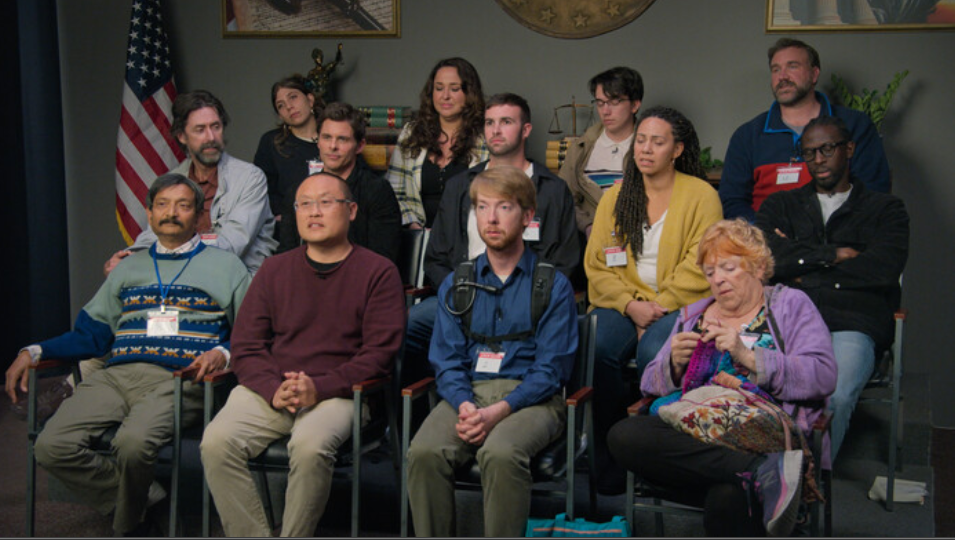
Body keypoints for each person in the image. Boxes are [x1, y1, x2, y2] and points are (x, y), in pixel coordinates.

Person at [5, 174, 249, 536]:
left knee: (132, 444)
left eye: (183, 205)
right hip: (117, 375)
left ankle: (127, 527)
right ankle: (147, 501)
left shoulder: (228, 268)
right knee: (51, 446)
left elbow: (252, 335)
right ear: (149, 214)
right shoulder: (127, 268)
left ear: (200, 216)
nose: (171, 213)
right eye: (162, 205)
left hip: (181, 380)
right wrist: (35, 351)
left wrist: (220, 352)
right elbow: (91, 335)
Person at [200, 172, 406, 537]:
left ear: (351, 211)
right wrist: (272, 388)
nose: (314, 212)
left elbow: (378, 355)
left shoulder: (378, 272)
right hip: (273, 388)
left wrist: (319, 388)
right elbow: (247, 345)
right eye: (304, 204)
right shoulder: (274, 269)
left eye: (326, 202)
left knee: (310, 447)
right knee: (216, 443)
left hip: (340, 392)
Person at [608, 219, 837, 537]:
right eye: (710, 272)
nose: (718, 279)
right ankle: (759, 473)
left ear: (758, 267)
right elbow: (650, 383)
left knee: (728, 497)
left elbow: (823, 375)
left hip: (762, 438)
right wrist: (674, 364)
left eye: (728, 268)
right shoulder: (693, 315)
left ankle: (756, 471)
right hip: (698, 443)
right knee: (622, 435)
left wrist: (748, 357)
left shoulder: (790, 305)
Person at [405, 166, 578, 537]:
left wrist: (501, 410)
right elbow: (447, 360)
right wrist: (465, 405)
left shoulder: (552, 284)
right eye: (482, 207)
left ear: (528, 216)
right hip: (469, 393)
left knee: (499, 453)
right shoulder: (458, 282)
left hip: (533, 399)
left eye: (504, 207)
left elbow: (551, 370)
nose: (492, 218)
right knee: (423, 452)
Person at [584, 106, 722, 493]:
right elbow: (597, 264)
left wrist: (657, 308)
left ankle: (655, 462)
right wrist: (631, 306)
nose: (645, 149)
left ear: (677, 150)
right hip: (623, 302)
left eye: (657, 142)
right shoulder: (615, 197)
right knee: (597, 345)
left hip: (676, 304)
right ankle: (609, 456)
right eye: (640, 140)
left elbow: (702, 264)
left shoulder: (702, 196)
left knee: (655, 353)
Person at [755, 115, 909, 460]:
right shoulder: (781, 205)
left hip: (851, 322)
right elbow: (765, 258)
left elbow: (882, 269)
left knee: (832, 396)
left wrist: (801, 270)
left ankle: (805, 485)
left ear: (849, 149)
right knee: (752, 385)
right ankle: (760, 476)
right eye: (809, 153)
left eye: (827, 149)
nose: (818, 159)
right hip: (788, 320)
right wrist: (832, 255)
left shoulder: (885, 209)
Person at [404, 93, 580, 385]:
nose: (496, 130)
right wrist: (462, 295)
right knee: (409, 324)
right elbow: (435, 259)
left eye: (506, 122)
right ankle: (428, 402)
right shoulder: (460, 186)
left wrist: (525, 299)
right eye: (489, 123)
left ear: (526, 130)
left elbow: (566, 260)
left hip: (528, 301)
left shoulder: (552, 189)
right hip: (464, 296)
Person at [106, 89, 278, 274]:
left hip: (238, 278)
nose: (211, 137)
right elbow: (154, 234)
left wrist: (172, 248)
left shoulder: (250, 177)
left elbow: (232, 245)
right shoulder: (170, 181)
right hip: (183, 277)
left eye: (216, 127)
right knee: (120, 276)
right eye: (200, 129)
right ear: (182, 136)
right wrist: (130, 257)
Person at [719, 38, 891, 221]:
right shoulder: (747, 135)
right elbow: (732, 201)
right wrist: (763, 231)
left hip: (837, 233)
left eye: (792, 66)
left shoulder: (855, 125)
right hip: (765, 235)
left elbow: (873, 191)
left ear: (814, 74)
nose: (782, 77)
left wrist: (835, 230)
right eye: (775, 69)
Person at [277, 101, 402, 262]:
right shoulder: (298, 192)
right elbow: (286, 256)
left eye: (342, 139)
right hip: (305, 276)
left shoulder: (378, 191)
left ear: (360, 146)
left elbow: (383, 259)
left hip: (360, 275)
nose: (332, 146)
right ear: (318, 141)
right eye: (326, 137)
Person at [386, 57, 489, 229]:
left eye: (454, 89)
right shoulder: (411, 133)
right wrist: (413, 225)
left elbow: (492, 196)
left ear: (470, 93)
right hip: (418, 234)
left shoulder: (485, 137)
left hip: (468, 234)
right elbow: (394, 190)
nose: (445, 96)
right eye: (439, 88)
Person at [558, 66, 643, 238]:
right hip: (591, 239)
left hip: (640, 237)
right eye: (600, 103)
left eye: (614, 102)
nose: (605, 111)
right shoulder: (581, 147)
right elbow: (563, 198)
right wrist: (587, 226)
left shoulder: (649, 146)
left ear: (634, 105)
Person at [253, 74, 323, 252]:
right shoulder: (271, 142)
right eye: (281, 105)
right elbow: (262, 188)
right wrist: (283, 215)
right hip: (290, 226)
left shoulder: (331, 138)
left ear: (310, 99)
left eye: (293, 97)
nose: (289, 107)